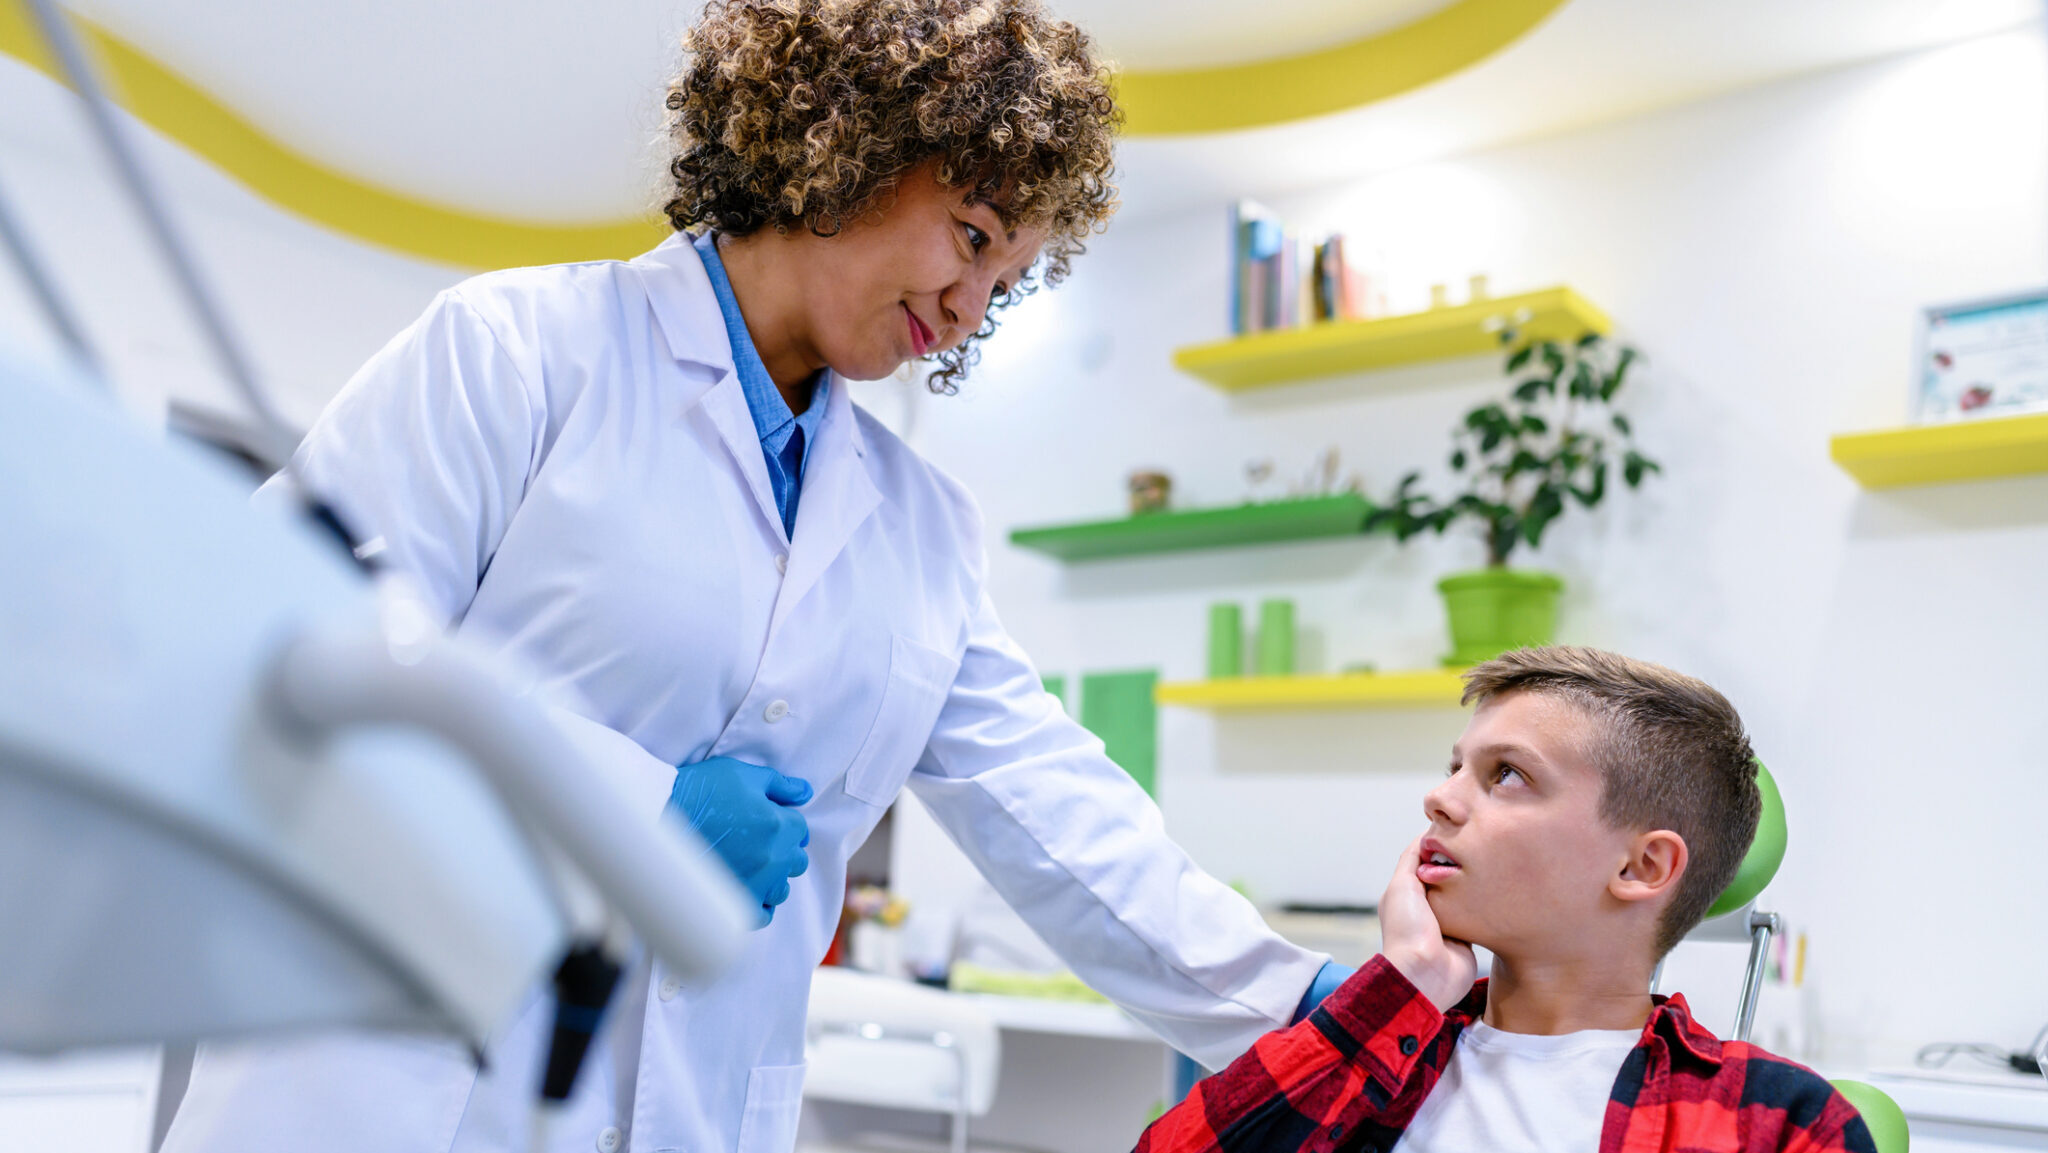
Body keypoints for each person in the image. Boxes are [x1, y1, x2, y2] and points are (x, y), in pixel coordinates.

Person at [162, 3, 1348, 1152]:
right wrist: (633, 810)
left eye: (1005, 281)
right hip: (392, 1088)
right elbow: (291, 647)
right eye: (973, 237)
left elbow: (1051, 808)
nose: (969, 307)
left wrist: (1313, 1004)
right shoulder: (518, 351)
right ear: (852, 145)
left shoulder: (921, 526)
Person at [1132, 647, 1879, 1153]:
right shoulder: (1370, 1061)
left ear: (1643, 865)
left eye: (1507, 775)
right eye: (1455, 766)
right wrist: (1403, 985)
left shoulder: (1778, 1123)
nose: (1439, 798)